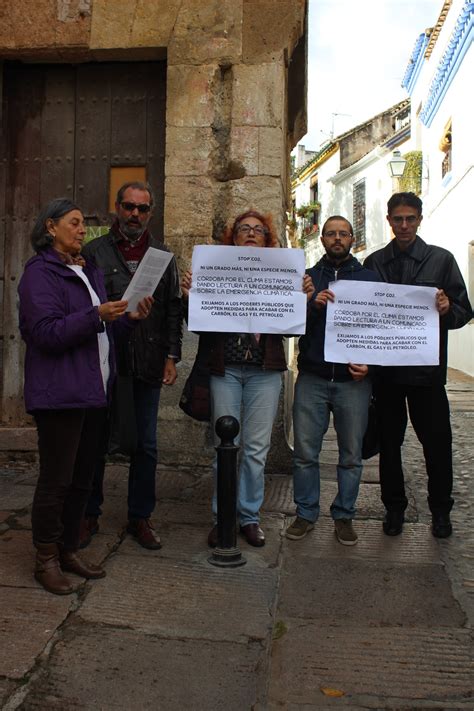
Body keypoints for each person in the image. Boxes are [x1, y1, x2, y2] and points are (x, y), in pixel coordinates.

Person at [18, 198, 152, 595]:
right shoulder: (38, 275)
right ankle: (45, 559)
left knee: (83, 478)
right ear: (50, 228)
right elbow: (43, 332)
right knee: (56, 479)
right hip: (60, 393)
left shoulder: (86, 270)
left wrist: (127, 320)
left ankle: (69, 549)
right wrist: (96, 316)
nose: (82, 230)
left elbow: (101, 333)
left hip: (93, 392)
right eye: (74, 223)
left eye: (82, 224)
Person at [181, 210, 313, 547]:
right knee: (225, 447)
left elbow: (293, 325)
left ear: (267, 239)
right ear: (233, 237)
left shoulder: (283, 274)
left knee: (257, 449)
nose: (251, 233)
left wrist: (303, 299)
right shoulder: (215, 269)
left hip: (265, 372)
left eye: (258, 230)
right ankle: (222, 516)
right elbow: (197, 324)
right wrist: (190, 297)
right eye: (244, 229)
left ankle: (250, 517)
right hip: (225, 370)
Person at [79, 181, 182, 550]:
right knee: (96, 440)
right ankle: (89, 513)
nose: (135, 214)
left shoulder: (163, 255)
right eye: (128, 207)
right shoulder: (94, 252)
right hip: (106, 360)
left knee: (146, 444)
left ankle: (140, 516)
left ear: (150, 212)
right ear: (117, 209)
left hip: (149, 359)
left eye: (142, 208)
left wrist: (172, 356)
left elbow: (173, 309)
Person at [364, 192, 472, 538]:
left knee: (437, 445)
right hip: (387, 374)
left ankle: (441, 511)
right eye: (398, 219)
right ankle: (394, 509)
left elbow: (463, 312)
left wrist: (445, 309)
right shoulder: (374, 263)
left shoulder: (442, 260)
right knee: (389, 445)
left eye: (411, 218)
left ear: (420, 219)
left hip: (427, 375)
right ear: (389, 220)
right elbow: (363, 313)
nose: (405, 225)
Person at [286, 215, 380, 545]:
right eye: (331, 234)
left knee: (351, 455)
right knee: (305, 453)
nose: (337, 239)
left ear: (353, 238)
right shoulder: (308, 277)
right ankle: (305, 513)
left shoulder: (370, 278)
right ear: (322, 239)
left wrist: (371, 367)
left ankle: (344, 515)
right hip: (312, 377)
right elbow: (288, 324)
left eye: (343, 233)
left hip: (353, 383)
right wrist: (311, 304)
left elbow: (380, 330)